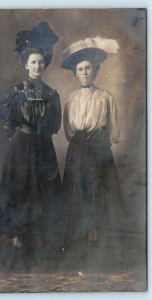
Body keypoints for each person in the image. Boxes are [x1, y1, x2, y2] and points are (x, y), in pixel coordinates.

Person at [0, 22, 62, 271]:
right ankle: (17, 245)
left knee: (43, 192)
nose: (37, 66)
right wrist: (19, 138)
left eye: (41, 62)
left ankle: (40, 249)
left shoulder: (52, 94)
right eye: (33, 62)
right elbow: (6, 119)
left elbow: (54, 125)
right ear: (25, 64)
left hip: (43, 147)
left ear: (45, 64)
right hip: (21, 147)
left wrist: (39, 136)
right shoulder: (15, 92)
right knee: (20, 192)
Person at [61, 36, 124, 248]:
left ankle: (95, 234)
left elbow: (113, 128)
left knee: (97, 188)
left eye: (88, 68)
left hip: (99, 146)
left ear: (95, 71)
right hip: (78, 147)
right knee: (78, 188)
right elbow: (68, 130)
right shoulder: (71, 98)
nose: (85, 73)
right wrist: (80, 141)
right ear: (75, 73)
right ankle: (80, 235)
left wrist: (100, 142)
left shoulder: (105, 97)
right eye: (80, 69)